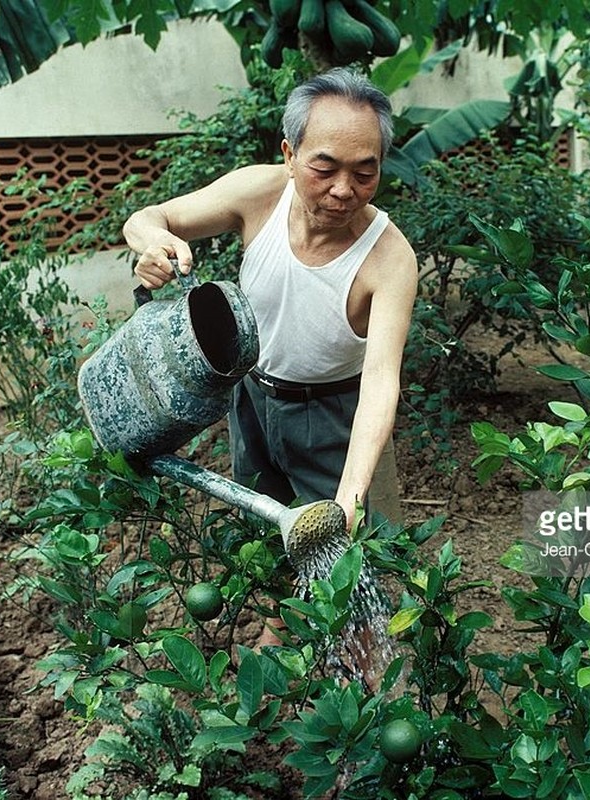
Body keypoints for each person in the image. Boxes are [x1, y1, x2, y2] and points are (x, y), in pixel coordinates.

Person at [123, 67, 417, 555]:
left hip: (337, 418)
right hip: (254, 399)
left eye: (365, 173)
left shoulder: (388, 259)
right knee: (263, 542)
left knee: (364, 560)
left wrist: (348, 501)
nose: (344, 189)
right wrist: (155, 243)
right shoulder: (259, 195)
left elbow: (381, 382)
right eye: (325, 169)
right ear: (289, 155)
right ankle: (275, 629)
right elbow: (147, 219)